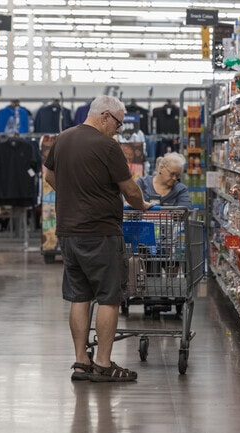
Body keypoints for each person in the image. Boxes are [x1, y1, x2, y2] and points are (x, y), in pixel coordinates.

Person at [43, 95, 151, 382]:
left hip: (67, 231)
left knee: (79, 296)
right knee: (108, 298)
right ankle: (103, 364)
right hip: (100, 231)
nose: (118, 129)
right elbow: (129, 189)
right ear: (104, 116)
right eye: (117, 122)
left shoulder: (62, 138)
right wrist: (142, 205)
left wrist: (71, 191)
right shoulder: (107, 147)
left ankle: (81, 361)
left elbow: (48, 174)